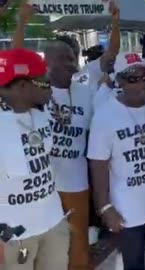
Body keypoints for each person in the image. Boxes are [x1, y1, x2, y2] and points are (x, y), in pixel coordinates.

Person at [88, 52, 145, 270]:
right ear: (119, 80)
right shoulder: (105, 115)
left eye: (143, 76)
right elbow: (97, 164)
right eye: (131, 78)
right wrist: (105, 207)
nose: (139, 82)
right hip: (127, 205)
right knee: (133, 262)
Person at [0, 48, 69, 270]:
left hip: (53, 223)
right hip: (15, 234)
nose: (49, 87)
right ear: (22, 86)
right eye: (42, 82)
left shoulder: (40, 114)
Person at [44, 38, 96, 270]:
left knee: (78, 242)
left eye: (72, 58)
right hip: (45, 185)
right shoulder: (36, 92)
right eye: (64, 58)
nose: (71, 63)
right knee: (48, 242)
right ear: (47, 62)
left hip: (77, 182)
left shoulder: (87, 92)